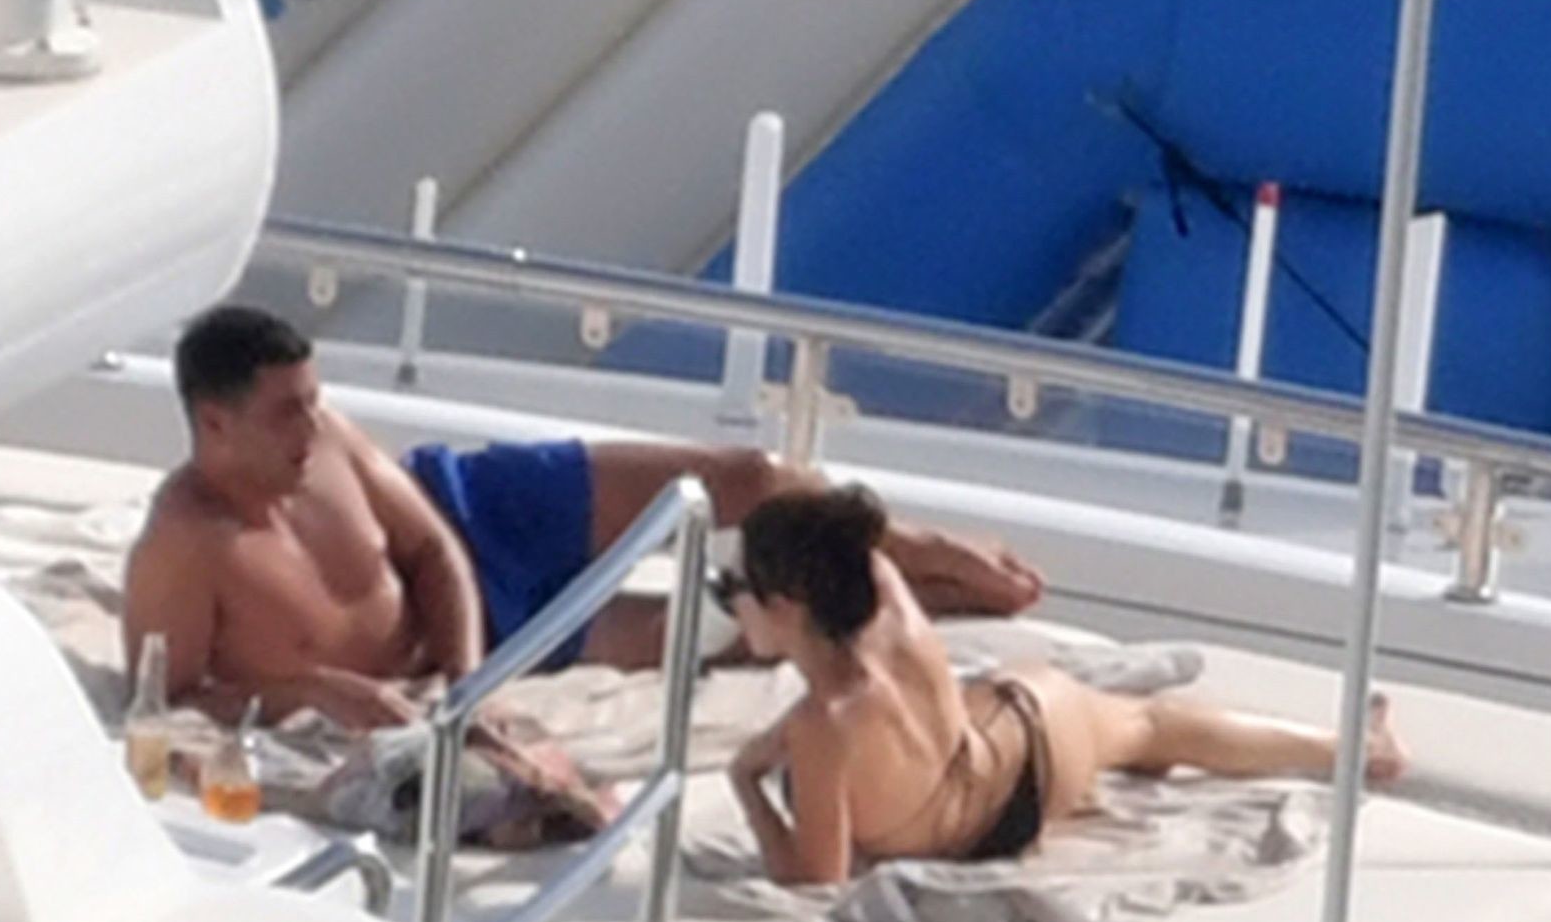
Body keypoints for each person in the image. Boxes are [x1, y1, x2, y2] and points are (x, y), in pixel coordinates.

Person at [121, 305, 1044, 729]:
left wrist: (467, 680)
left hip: (477, 516)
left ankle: (920, 546)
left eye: (314, 401)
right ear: (215, 423)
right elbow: (169, 698)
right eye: (287, 412)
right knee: (736, 633)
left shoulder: (325, 441)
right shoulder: (183, 545)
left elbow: (432, 546)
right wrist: (316, 691)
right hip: (486, 639)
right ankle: (916, 592)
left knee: (750, 477)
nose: (312, 425)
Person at [722, 485, 1410, 887]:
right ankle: (1350, 747)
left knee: (1152, 729)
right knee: (1153, 726)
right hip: (1028, 726)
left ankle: (1352, 748)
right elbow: (854, 547)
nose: (730, 603)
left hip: (990, 818)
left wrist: (748, 785)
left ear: (785, 604)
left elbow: (815, 881)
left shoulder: (824, 724)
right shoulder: (883, 590)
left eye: (734, 590)